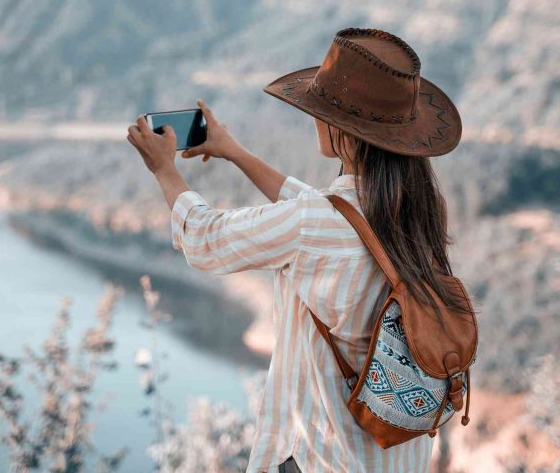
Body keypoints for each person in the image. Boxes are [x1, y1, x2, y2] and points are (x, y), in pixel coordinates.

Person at [127, 27, 463, 473]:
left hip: (321, 459)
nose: (315, 119)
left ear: (345, 131)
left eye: (320, 110)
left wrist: (164, 169)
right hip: (396, 455)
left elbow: (205, 238)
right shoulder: (418, 209)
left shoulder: (316, 225)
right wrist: (236, 153)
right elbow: (333, 221)